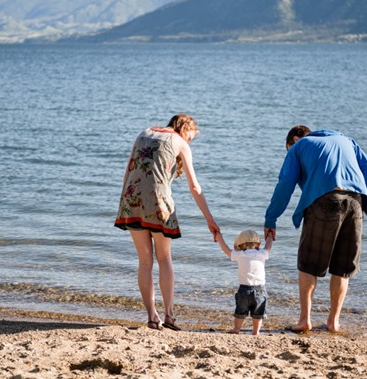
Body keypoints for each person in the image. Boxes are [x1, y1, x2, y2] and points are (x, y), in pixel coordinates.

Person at [264, 125, 367, 332]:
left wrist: (271, 219)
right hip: (356, 202)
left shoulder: (300, 146)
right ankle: (334, 322)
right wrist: (362, 195)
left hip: (325, 201)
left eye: (287, 149)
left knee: (308, 264)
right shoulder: (347, 140)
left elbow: (286, 183)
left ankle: (304, 320)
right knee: (342, 269)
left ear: (295, 140)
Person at [115, 114, 220, 331]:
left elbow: (128, 171)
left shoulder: (144, 132)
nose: (190, 141)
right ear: (184, 128)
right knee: (164, 258)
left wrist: (123, 205)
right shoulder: (180, 142)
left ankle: (152, 317)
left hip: (131, 199)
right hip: (158, 202)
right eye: (191, 137)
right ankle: (169, 316)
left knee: (145, 261)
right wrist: (210, 219)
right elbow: (195, 187)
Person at [215, 230, 273, 335]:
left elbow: (226, 250)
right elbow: (268, 246)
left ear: (241, 245)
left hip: (244, 289)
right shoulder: (262, 253)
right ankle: (256, 332)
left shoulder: (240, 254)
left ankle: (236, 329)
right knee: (258, 314)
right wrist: (270, 236)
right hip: (260, 290)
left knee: (240, 312)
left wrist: (220, 239)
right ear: (258, 244)